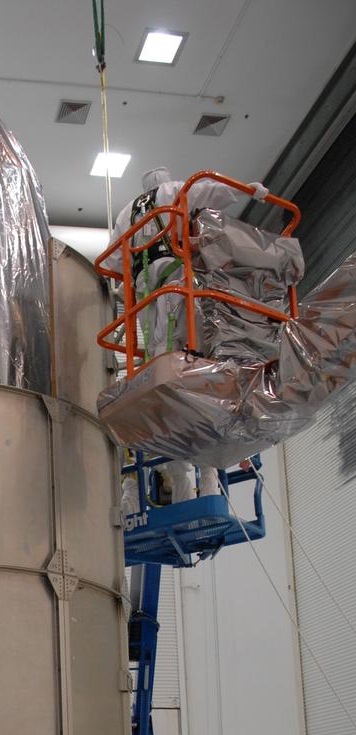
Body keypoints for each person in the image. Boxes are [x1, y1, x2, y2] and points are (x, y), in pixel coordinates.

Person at [104, 167, 269, 503]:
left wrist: (122, 283)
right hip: (174, 279)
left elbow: (114, 258)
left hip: (145, 291)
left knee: (159, 359)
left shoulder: (126, 212)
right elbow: (208, 190)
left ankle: (190, 482)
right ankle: (206, 485)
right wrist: (247, 189)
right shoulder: (173, 190)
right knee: (183, 353)